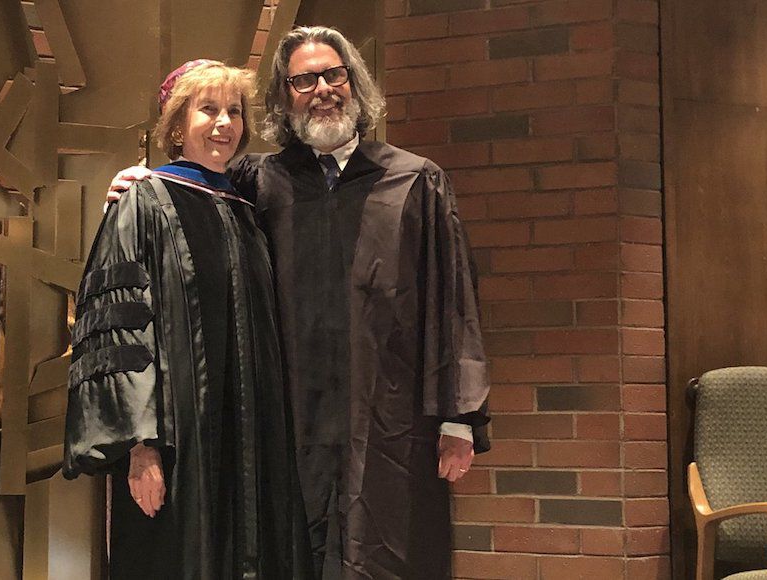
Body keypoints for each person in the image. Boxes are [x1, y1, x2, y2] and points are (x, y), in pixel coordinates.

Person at [109, 26, 491, 580]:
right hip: (286, 422)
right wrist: (136, 187)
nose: (322, 89)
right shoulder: (256, 181)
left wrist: (459, 417)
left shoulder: (414, 181)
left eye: (334, 74)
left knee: (389, 553)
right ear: (285, 99)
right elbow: (187, 206)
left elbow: (453, 300)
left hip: (388, 418)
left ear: (354, 84)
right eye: (304, 80)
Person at [63, 60, 312, 579]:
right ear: (177, 125)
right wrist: (141, 447)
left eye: (235, 111)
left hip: (251, 440)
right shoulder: (143, 201)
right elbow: (120, 329)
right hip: (177, 442)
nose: (225, 123)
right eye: (209, 109)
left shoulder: (246, 208)